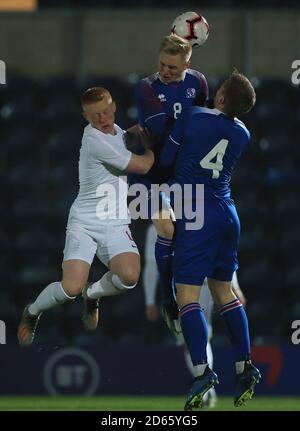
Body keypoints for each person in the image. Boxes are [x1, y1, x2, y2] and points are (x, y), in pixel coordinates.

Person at [17, 87, 154, 347]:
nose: (102, 119)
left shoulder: (118, 133)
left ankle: (92, 294)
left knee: (129, 277)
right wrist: (152, 147)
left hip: (115, 222)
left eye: (105, 112)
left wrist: (138, 131)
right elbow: (143, 165)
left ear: (114, 107)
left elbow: (125, 136)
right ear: (85, 117)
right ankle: (32, 312)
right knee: (70, 289)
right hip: (85, 223)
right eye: (95, 115)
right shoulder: (93, 140)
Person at [159, 70, 261, 410]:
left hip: (196, 212)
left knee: (188, 297)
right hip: (228, 213)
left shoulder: (192, 116)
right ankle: (245, 366)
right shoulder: (243, 134)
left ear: (219, 97)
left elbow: (166, 160)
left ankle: (202, 371)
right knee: (224, 292)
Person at [136, 34, 209, 330]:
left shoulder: (200, 82)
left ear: (187, 64)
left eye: (174, 68)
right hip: (156, 170)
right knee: (165, 228)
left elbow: (203, 121)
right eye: (163, 65)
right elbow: (163, 134)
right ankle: (169, 299)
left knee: (191, 233)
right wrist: (190, 121)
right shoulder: (145, 87)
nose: (166, 71)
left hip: (187, 172)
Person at [143, 224, 246, 408]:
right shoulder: (205, 213)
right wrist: (233, 287)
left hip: (184, 284)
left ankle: (205, 383)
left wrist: (150, 300)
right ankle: (208, 386)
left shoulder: (158, 223)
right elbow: (225, 252)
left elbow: (152, 266)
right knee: (203, 335)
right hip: (208, 281)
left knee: (188, 339)